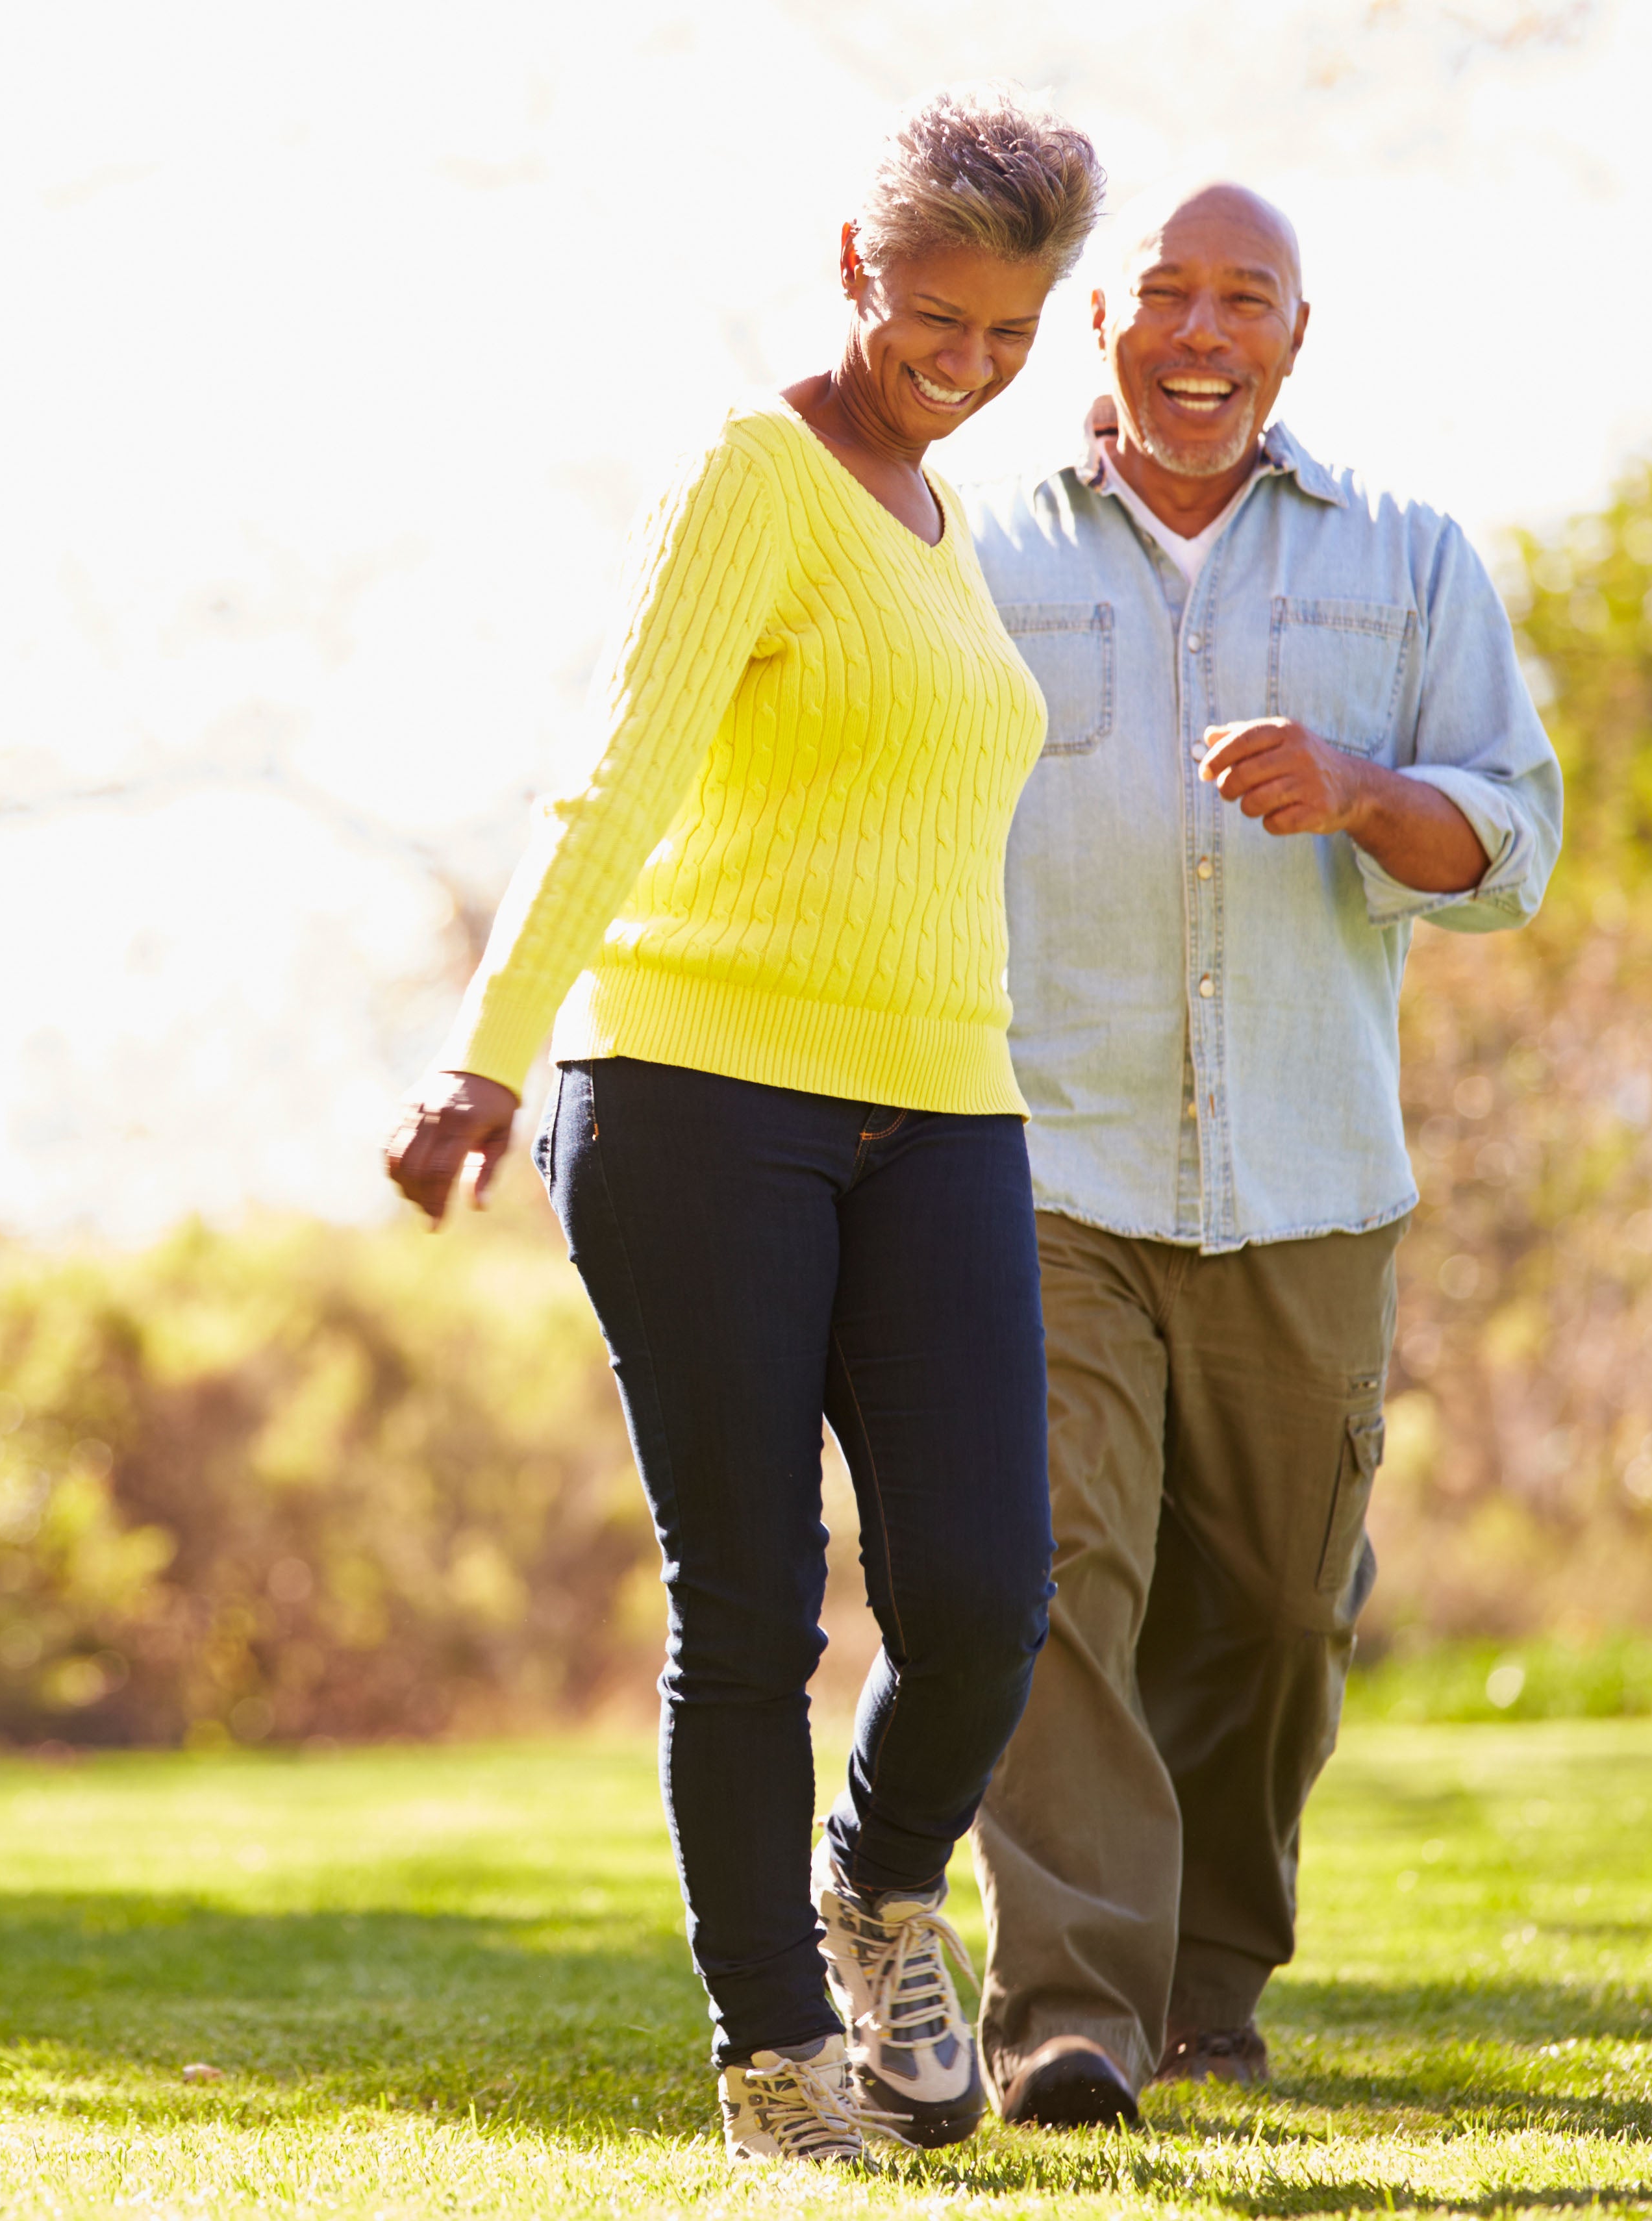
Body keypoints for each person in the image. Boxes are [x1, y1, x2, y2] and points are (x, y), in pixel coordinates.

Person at [381, 89, 1103, 2166]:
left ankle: (875, 1899)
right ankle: (778, 2056)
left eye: (1006, 336)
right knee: (756, 1598)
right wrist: (481, 1057)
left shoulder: (945, 530)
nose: (962, 368)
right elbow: (610, 776)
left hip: (942, 1097)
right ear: (856, 267)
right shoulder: (753, 473)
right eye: (932, 322)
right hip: (696, 1088)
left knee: (980, 1586)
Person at [962, 183, 1564, 2126]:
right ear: (1097, 330)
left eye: (1244, 300)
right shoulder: (978, 554)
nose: (1199, 334)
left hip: (1312, 1180)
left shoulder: (1407, 558)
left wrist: (1366, 792)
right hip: (1046, 1166)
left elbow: (1514, 842)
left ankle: (1208, 1977)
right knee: (1053, 1576)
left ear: (1298, 335)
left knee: (1282, 1606)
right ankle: (1069, 2009)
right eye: (1163, 298)